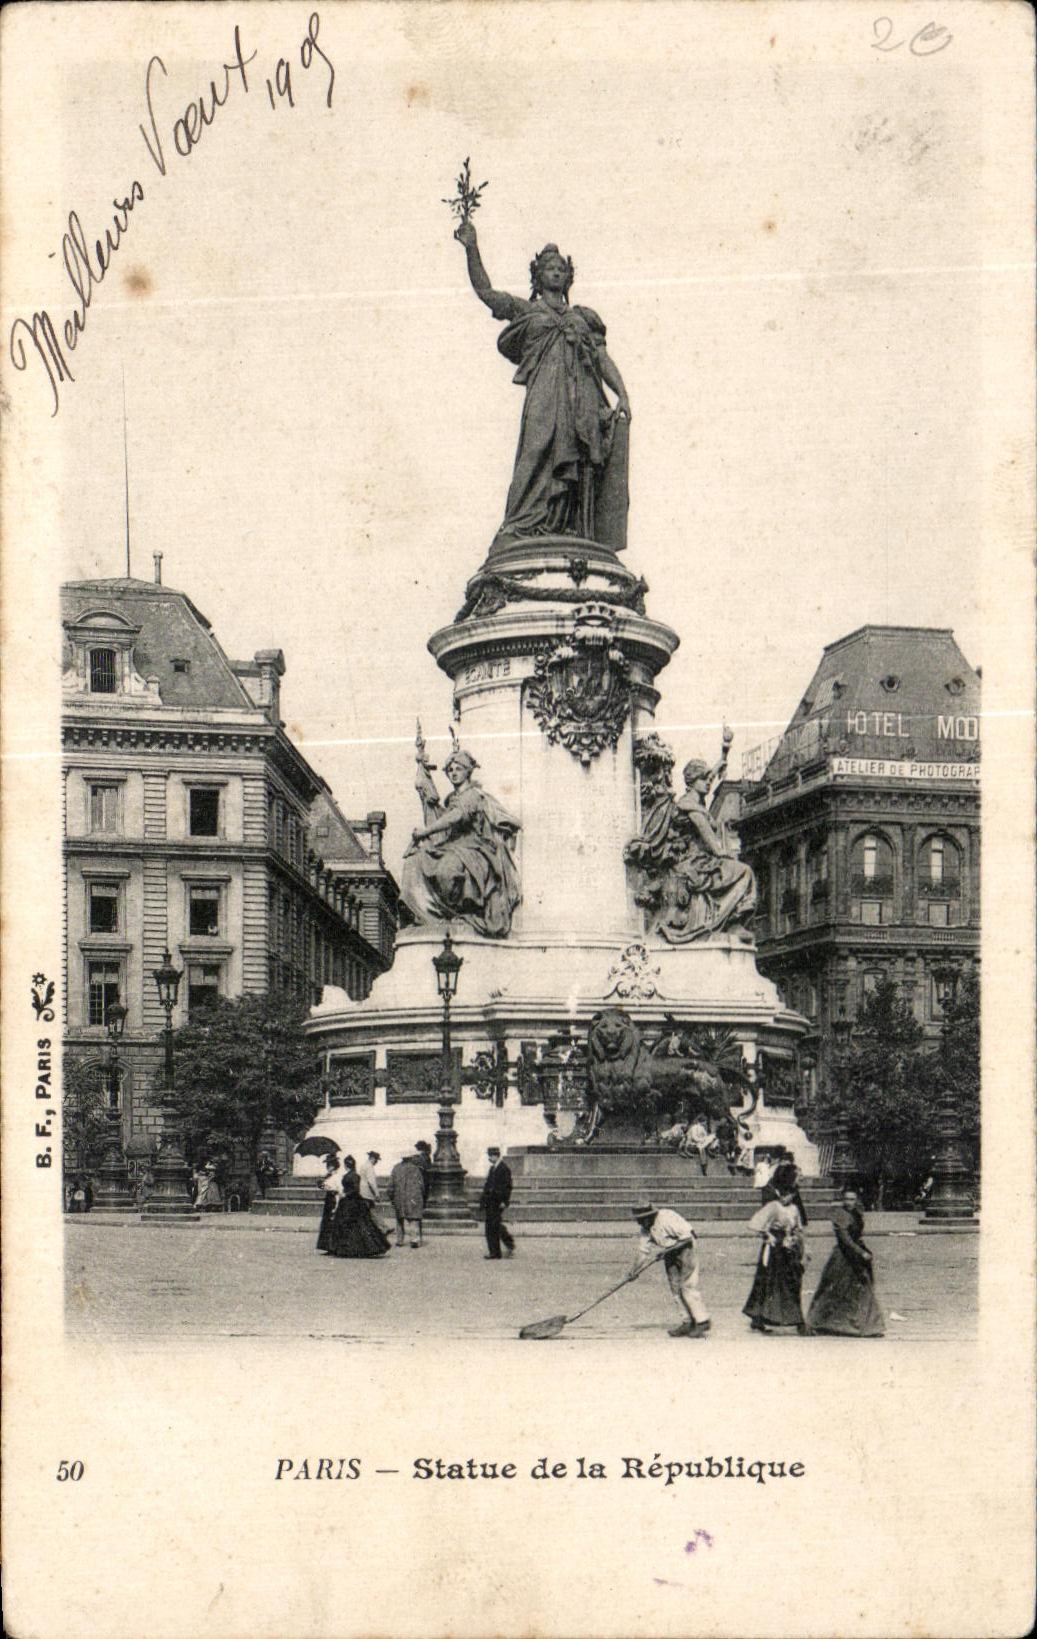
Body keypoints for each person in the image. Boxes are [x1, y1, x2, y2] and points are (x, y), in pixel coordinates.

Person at [455, 219, 631, 553]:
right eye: (550, 268)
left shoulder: (582, 318)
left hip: (582, 402)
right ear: (538, 276)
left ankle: (569, 527)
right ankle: (519, 523)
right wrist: (472, 248)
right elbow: (487, 294)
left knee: (578, 460)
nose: (556, 273)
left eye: (561, 269)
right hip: (545, 396)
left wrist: (622, 393)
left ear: (568, 277)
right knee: (535, 451)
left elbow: (601, 359)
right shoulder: (527, 310)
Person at [402, 747, 521, 939]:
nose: (454, 773)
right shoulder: (452, 799)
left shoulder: (473, 795)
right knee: (415, 860)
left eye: (459, 768)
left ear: (468, 771)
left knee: (448, 868)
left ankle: (464, 913)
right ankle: (430, 915)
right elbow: (445, 817)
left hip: (475, 849)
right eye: (451, 770)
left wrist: (426, 832)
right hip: (454, 846)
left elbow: (456, 817)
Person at [806, 1189, 885, 1337]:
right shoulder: (839, 1216)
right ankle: (819, 1323)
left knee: (863, 1289)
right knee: (834, 1291)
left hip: (856, 1256)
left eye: (852, 1199)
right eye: (847, 1199)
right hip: (843, 1257)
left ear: (856, 1200)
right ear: (843, 1200)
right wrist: (861, 1252)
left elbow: (857, 1236)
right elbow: (845, 1239)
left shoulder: (857, 1213)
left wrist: (863, 1249)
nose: (849, 1202)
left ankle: (867, 1327)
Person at [630, 1203, 711, 1339]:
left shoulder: (666, 1218)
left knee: (687, 1286)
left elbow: (688, 1238)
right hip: (669, 1252)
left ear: (650, 1216)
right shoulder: (645, 1229)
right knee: (675, 1288)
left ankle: (702, 1321)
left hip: (687, 1249)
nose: (639, 1223)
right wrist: (633, 1271)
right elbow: (643, 1252)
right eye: (638, 1219)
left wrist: (666, 1252)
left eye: (642, 1219)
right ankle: (687, 1321)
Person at [743, 1187, 807, 1333]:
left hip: (789, 1247)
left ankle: (794, 1319)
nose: (783, 1197)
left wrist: (796, 1240)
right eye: (782, 1194)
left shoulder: (795, 1209)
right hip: (774, 1248)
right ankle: (759, 1317)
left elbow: (799, 1228)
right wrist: (767, 1235)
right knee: (768, 1281)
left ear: (793, 1195)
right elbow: (755, 1223)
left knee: (791, 1282)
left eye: (787, 1194)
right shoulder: (773, 1206)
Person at [329, 1154, 391, 1259]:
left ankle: (351, 1249)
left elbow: (355, 1189)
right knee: (354, 1225)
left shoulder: (353, 1176)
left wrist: (345, 1194)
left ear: (345, 1165)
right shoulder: (353, 1175)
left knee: (353, 1225)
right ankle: (350, 1249)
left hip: (351, 1202)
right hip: (349, 1202)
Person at [480, 1146, 515, 1260]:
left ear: (496, 1156)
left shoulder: (504, 1169)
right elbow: (487, 1185)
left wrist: (504, 1201)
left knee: (493, 1226)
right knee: (494, 1226)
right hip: (490, 1201)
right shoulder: (493, 1168)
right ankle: (503, 1246)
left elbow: (508, 1187)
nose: (489, 1158)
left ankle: (495, 1252)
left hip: (497, 1202)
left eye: (490, 1156)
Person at [389, 1151, 427, 1249]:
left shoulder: (396, 1168)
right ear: (410, 1158)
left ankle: (399, 1240)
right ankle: (414, 1240)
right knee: (413, 1219)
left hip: (399, 1197)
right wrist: (422, 1196)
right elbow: (421, 1185)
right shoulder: (416, 1169)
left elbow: (391, 1185)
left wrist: (391, 1196)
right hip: (412, 1197)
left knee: (399, 1219)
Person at [316, 1151, 343, 1254]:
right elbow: (326, 1186)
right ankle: (327, 1246)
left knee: (332, 1223)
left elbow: (339, 1189)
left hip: (333, 1199)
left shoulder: (337, 1176)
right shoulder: (329, 1176)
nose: (328, 1167)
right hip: (328, 1199)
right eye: (327, 1165)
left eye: (330, 1165)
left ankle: (333, 1246)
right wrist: (321, 1185)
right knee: (327, 1223)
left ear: (334, 1166)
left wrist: (337, 1203)